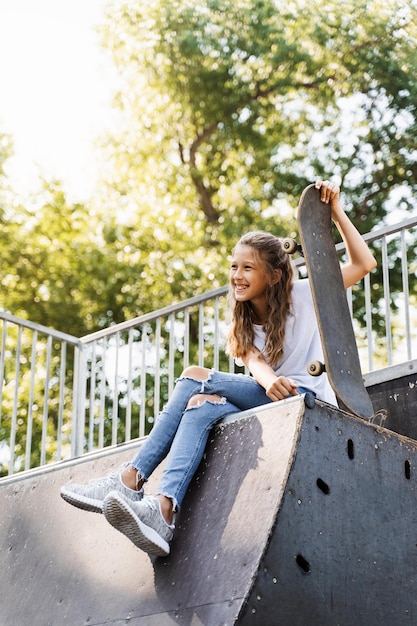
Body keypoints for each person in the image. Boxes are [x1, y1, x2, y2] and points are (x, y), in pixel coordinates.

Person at [60, 180, 377, 557]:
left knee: (195, 375)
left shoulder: (305, 294)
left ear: (274, 275)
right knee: (199, 404)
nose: (237, 276)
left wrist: (336, 211)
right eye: (233, 267)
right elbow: (255, 364)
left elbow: (364, 263)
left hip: (306, 397)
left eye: (247, 268)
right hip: (269, 394)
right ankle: (164, 512)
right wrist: (270, 380)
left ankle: (131, 478)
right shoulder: (242, 322)